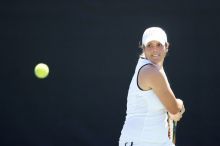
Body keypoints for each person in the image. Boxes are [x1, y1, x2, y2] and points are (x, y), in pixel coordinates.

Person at [119, 27, 185, 146]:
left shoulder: (154, 68)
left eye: (159, 44)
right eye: (149, 45)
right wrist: (179, 103)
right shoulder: (150, 72)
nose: (155, 49)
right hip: (140, 141)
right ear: (143, 48)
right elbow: (174, 108)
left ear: (166, 46)